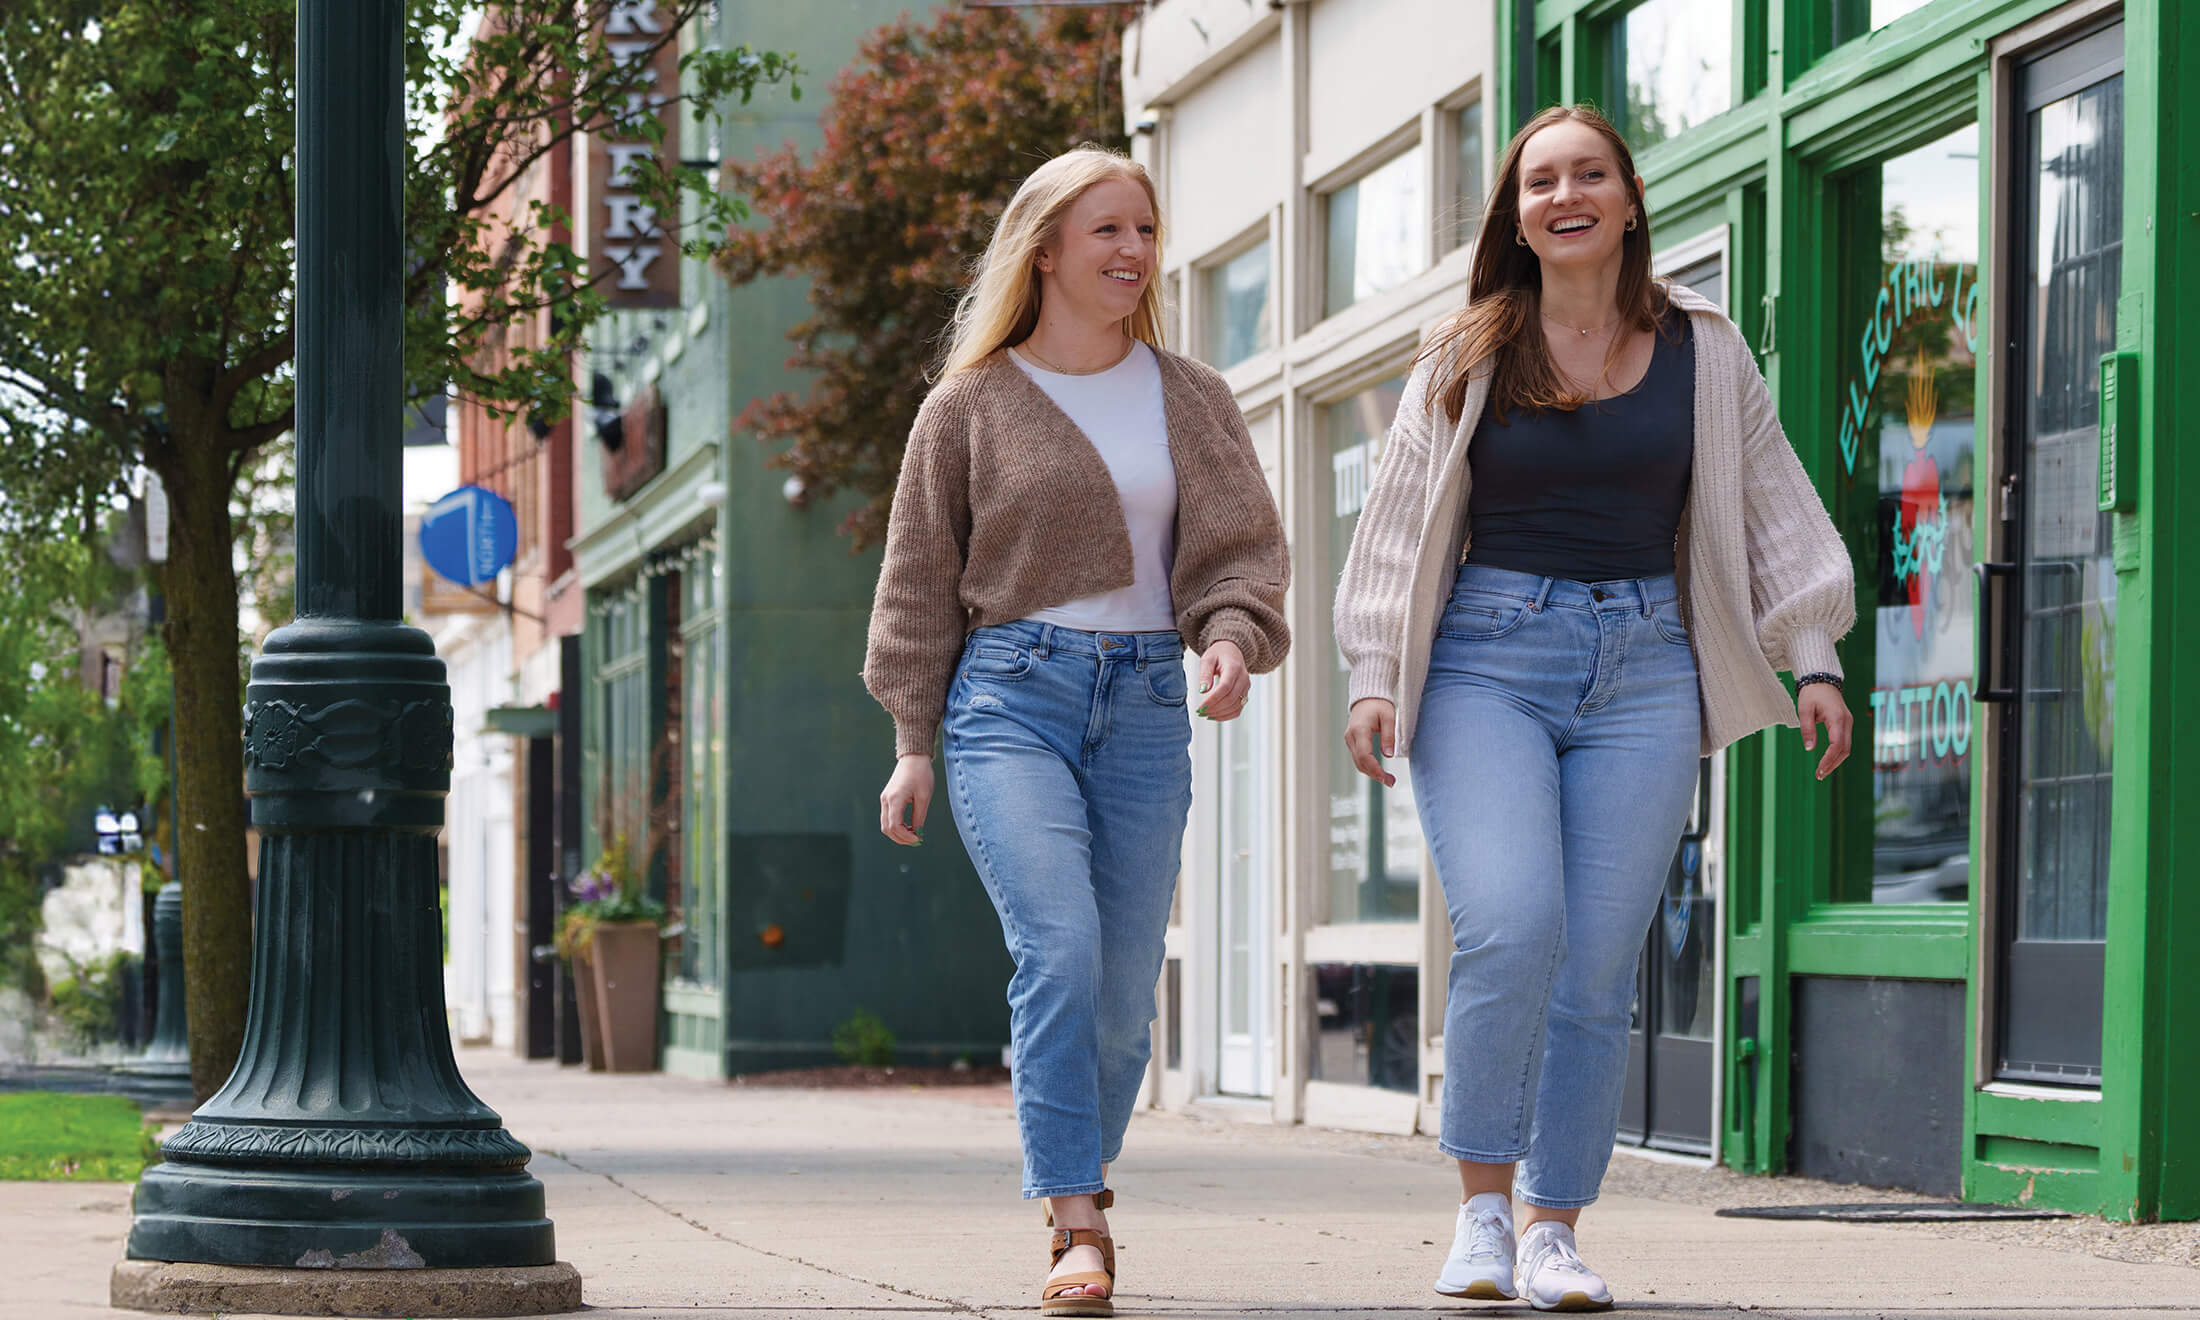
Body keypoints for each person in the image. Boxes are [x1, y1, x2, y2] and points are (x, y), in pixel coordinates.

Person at [1334, 105, 1855, 1312]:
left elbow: (1772, 505)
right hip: (1486, 661)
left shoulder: (1706, 349)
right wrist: (1373, 671)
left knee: (1595, 965)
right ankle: (1477, 1212)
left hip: (1649, 669)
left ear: (1627, 199)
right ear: (1516, 217)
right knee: (1514, 925)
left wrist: (1811, 653)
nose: (1563, 196)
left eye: (1588, 176)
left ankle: (1552, 1227)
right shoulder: (1467, 347)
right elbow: (1402, 522)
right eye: (1538, 183)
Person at [864, 145, 1290, 1318]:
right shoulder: (969, 403)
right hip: (1010, 696)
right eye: (1107, 229)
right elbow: (916, 582)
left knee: (1118, 985)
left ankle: (1081, 1182)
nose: (1132, 252)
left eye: (1144, 230)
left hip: (1152, 699)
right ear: (1044, 246)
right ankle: (1074, 1217)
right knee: (1054, 948)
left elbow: (1241, 554)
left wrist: (1228, 640)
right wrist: (913, 740)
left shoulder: (1191, 395)